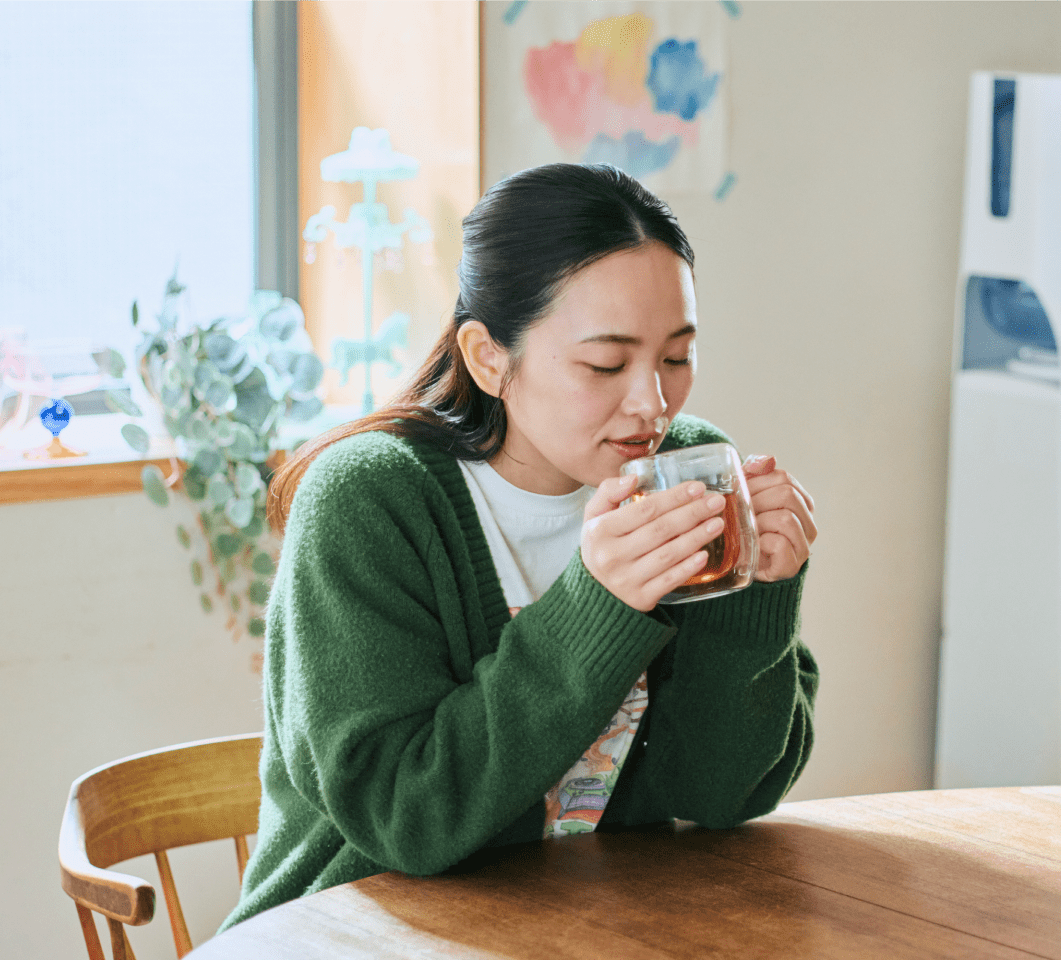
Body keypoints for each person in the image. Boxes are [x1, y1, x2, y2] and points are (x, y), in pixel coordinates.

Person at [221, 163, 818, 931]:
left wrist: (756, 589)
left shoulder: (687, 474)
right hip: (347, 934)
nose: (653, 404)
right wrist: (596, 609)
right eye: (606, 364)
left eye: (676, 357)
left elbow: (719, 796)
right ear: (487, 356)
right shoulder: (371, 501)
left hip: (584, 931)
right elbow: (406, 819)